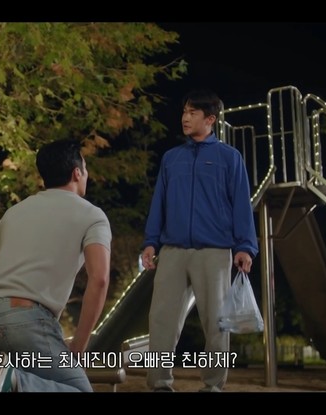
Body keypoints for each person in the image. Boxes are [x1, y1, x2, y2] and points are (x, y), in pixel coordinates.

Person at [0, 139, 112, 392]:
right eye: (85, 169)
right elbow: (99, 279)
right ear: (77, 173)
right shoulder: (92, 216)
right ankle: (14, 382)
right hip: (24, 320)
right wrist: (78, 345)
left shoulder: (13, 212)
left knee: (2, 383)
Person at [141, 90, 258, 392]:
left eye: (193, 113)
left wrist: (245, 247)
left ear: (210, 119)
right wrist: (151, 242)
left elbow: (241, 206)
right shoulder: (171, 158)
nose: (185, 117)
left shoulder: (229, 158)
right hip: (173, 251)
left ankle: (213, 386)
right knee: (161, 320)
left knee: (216, 323)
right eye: (184, 111)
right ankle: (159, 385)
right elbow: (159, 203)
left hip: (214, 252)